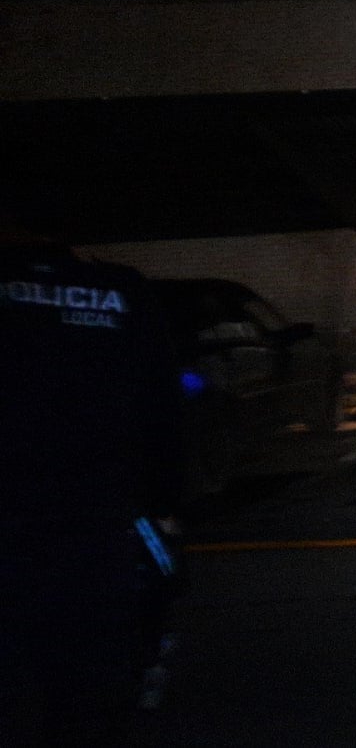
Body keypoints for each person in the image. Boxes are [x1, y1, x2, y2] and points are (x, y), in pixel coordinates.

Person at [1, 224, 187, 744]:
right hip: (97, 514)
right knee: (89, 672)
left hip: (15, 515)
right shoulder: (121, 290)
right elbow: (162, 405)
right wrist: (165, 501)